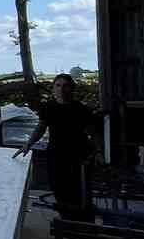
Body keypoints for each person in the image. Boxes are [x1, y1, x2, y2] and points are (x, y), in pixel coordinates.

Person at [15, 73, 96, 213]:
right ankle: (66, 220)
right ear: (53, 88)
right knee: (59, 189)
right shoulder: (49, 107)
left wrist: (97, 152)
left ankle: (82, 223)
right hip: (56, 154)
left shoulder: (81, 109)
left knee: (79, 191)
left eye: (65, 86)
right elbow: (41, 128)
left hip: (78, 155)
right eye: (58, 86)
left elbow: (93, 132)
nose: (61, 89)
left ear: (72, 88)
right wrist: (27, 145)